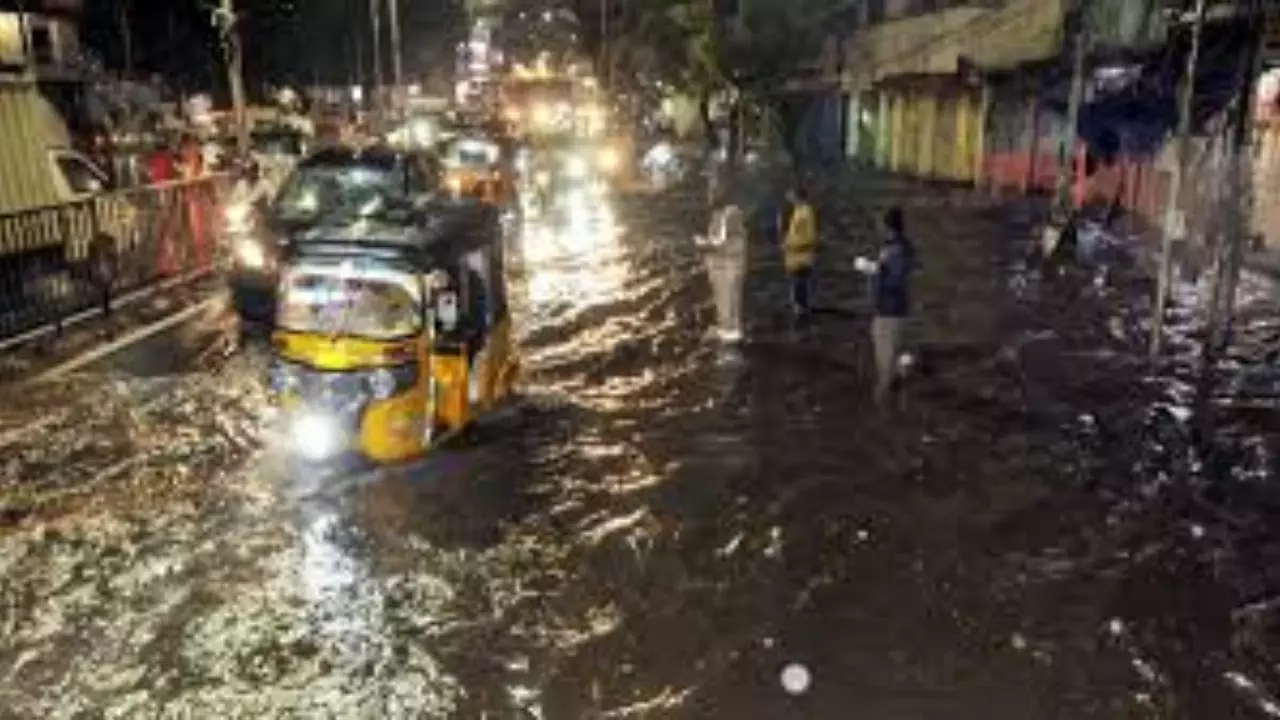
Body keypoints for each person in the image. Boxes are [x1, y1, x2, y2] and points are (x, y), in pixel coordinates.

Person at [856, 207, 917, 407]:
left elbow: (893, 279)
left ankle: (884, 412)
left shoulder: (896, 250)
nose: (878, 228)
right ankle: (901, 400)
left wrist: (873, 270)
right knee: (892, 363)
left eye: (880, 224)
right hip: (891, 311)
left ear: (887, 226)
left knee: (885, 370)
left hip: (889, 313)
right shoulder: (897, 247)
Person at [699, 186, 748, 344]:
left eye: (712, 194)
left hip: (727, 268)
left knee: (728, 302)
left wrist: (705, 244)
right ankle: (729, 332)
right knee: (726, 302)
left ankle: (730, 342)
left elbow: (724, 243)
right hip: (722, 267)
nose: (709, 198)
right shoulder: (720, 216)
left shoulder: (730, 214)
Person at [781, 185, 817, 319]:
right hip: (794, 255)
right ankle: (798, 307)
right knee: (796, 283)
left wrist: (793, 245)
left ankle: (802, 310)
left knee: (800, 283)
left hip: (801, 256)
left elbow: (809, 236)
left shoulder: (805, 212)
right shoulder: (797, 211)